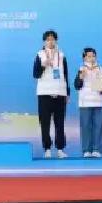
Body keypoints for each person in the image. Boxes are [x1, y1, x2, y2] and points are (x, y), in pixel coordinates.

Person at [33, 30, 70, 158]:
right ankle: (47, 148)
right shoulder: (40, 54)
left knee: (60, 123)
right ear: (44, 41)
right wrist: (43, 65)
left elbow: (66, 75)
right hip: (44, 93)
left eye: (53, 39)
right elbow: (35, 74)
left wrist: (67, 93)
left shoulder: (62, 55)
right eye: (48, 39)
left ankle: (60, 149)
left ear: (56, 41)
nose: (50, 41)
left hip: (60, 93)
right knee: (45, 123)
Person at [74, 47, 102, 158]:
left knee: (98, 126)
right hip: (85, 103)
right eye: (89, 56)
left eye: (93, 56)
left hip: (98, 102)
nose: (92, 58)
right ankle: (86, 150)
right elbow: (77, 86)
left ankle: (97, 149)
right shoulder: (81, 69)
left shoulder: (101, 69)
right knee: (85, 126)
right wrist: (80, 78)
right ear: (84, 58)